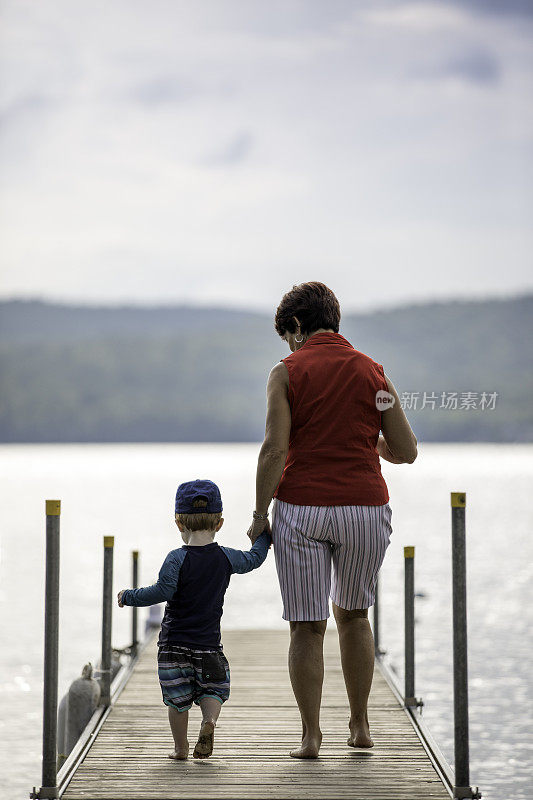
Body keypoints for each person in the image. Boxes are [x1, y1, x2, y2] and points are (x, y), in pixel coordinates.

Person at [247, 281, 417, 759]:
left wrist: (260, 514)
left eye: (288, 335)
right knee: (355, 615)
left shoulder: (285, 373)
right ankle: (360, 726)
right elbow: (404, 451)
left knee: (307, 626)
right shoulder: (374, 373)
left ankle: (310, 736)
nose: (289, 345)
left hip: (302, 509)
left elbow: (275, 450)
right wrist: (370, 446)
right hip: (365, 508)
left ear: (297, 326)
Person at [118, 478, 271, 761]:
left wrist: (130, 596)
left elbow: (162, 591)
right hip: (208, 644)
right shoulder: (227, 558)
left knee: (178, 700)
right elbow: (254, 559)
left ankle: (180, 748)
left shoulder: (176, 558)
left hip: (174, 644)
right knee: (213, 688)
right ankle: (209, 722)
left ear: (178, 523)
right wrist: (265, 535)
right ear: (219, 523)